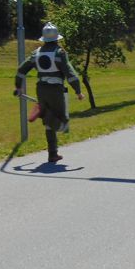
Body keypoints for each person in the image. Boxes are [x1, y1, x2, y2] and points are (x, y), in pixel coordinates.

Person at [14, 22, 84, 163]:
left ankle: (52, 153)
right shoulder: (59, 53)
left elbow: (21, 70)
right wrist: (78, 91)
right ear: (57, 38)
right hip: (55, 89)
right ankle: (45, 114)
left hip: (41, 89)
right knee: (62, 121)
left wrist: (18, 87)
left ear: (44, 39)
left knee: (48, 123)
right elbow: (69, 73)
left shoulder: (37, 53)